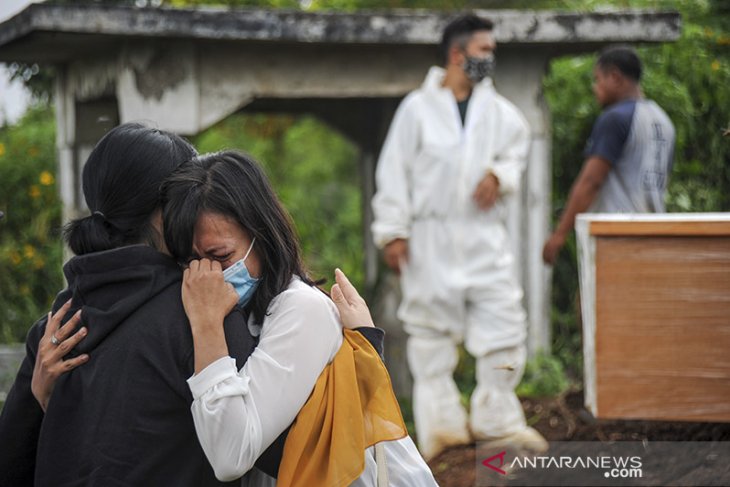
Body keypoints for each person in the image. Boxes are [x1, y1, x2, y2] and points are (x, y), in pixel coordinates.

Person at [0, 124, 390, 486]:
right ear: (167, 210)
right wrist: (365, 347)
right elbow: (286, 449)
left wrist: (42, 401)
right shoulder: (199, 315)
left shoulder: (54, 327)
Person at [160, 150, 438, 486]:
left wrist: (206, 326)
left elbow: (229, 455)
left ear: (261, 235)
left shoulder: (302, 310)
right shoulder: (246, 317)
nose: (208, 276)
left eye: (220, 257)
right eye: (192, 262)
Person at [370, 13, 547, 460]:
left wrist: (500, 174)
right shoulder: (416, 109)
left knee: (504, 326)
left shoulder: (502, 113)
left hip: (483, 234)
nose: (490, 58)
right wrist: (393, 231)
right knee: (429, 334)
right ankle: (443, 431)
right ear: (457, 53)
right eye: (484, 49)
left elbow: (517, 151)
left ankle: (499, 423)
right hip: (429, 238)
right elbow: (393, 173)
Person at [542, 45, 676, 265]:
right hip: (654, 234)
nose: (596, 88)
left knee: (598, 299)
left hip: (618, 235)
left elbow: (591, 181)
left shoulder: (615, 117)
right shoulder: (663, 120)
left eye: (598, 79)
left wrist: (559, 235)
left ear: (614, 76)